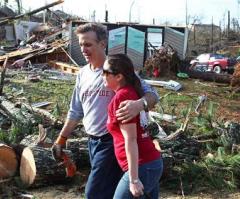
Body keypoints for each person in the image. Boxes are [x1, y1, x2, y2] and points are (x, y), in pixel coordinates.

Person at [51, 22, 159, 199]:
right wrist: (61, 139)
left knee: (94, 193)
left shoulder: (116, 70)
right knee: (113, 190)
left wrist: (139, 104)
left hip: (111, 141)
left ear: (102, 44)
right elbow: (75, 111)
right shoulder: (83, 74)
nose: (83, 49)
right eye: (81, 45)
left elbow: (152, 94)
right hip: (92, 142)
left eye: (88, 44)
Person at [103, 53, 163, 199]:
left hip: (143, 165)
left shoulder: (122, 97)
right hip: (149, 163)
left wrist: (134, 180)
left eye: (105, 72)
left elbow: (131, 140)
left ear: (119, 76)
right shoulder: (132, 91)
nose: (102, 75)